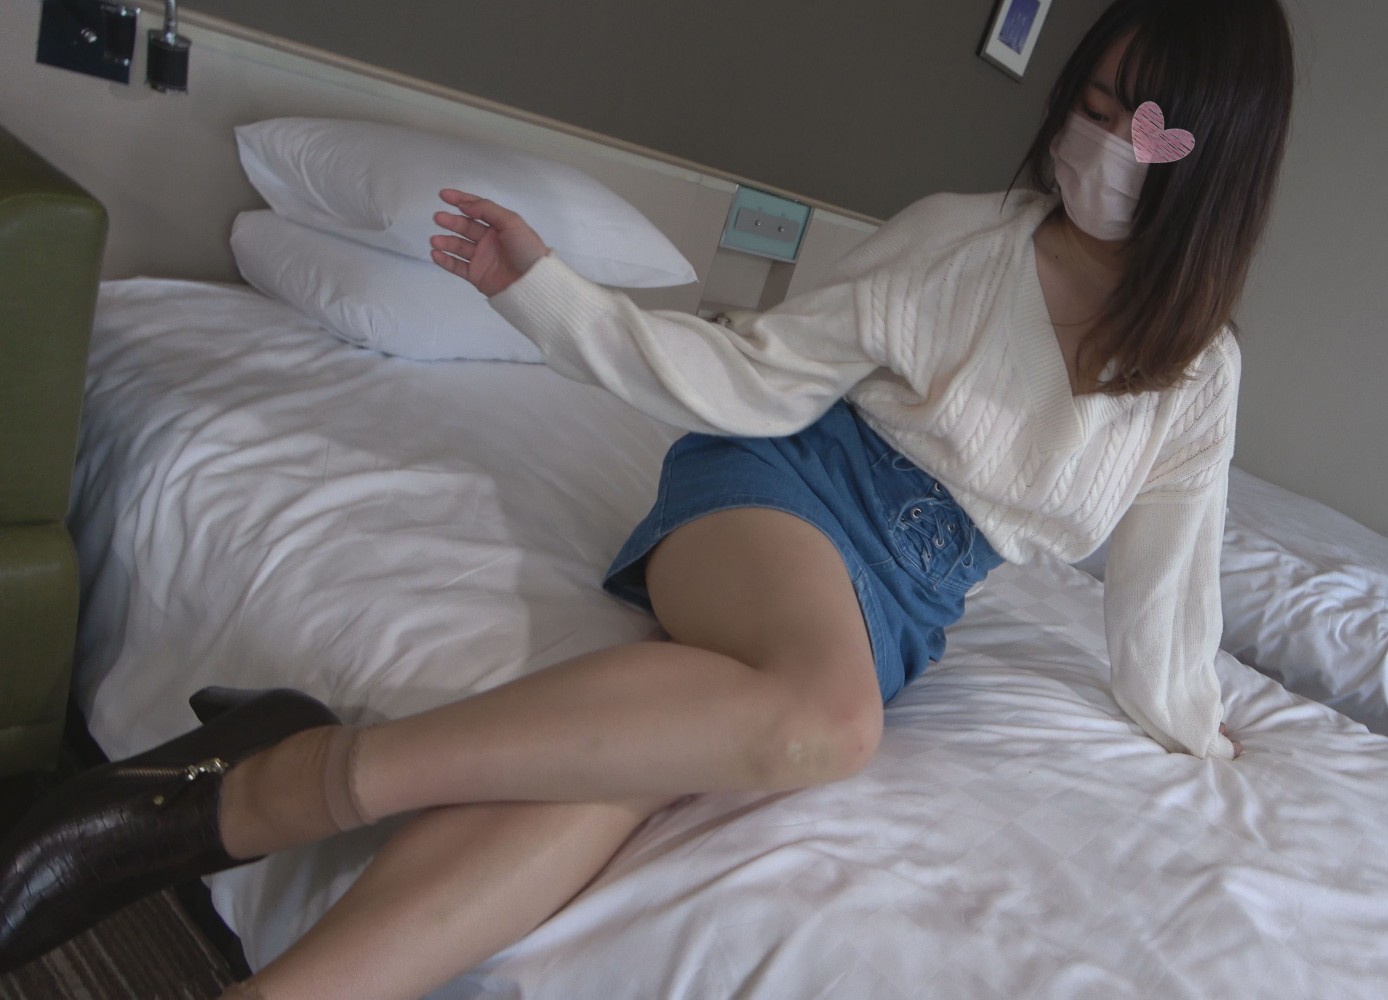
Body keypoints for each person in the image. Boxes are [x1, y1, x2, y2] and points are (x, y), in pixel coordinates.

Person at [0, 1, 1295, 996]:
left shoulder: (1196, 376)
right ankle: (300, 778)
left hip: (903, 605)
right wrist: (548, 293)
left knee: (626, 776)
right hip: (782, 488)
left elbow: (1166, 587)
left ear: (1212, 161)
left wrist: (1196, 727)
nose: (1101, 146)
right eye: (1093, 104)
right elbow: (751, 373)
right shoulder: (960, 242)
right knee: (827, 722)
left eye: (1142, 125)